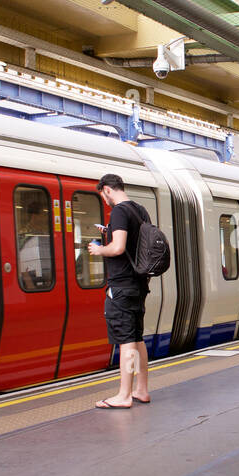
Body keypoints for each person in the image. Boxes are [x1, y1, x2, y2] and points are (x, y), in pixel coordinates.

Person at [87, 173, 152, 409]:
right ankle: (141, 389)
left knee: (125, 340)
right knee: (136, 338)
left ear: (106, 189)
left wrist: (98, 250)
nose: (105, 201)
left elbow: (118, 247)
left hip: (122, 285)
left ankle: (124, 395)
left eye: (103, 196)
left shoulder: (119, 211)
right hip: (138, 284)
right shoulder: (140, 210)